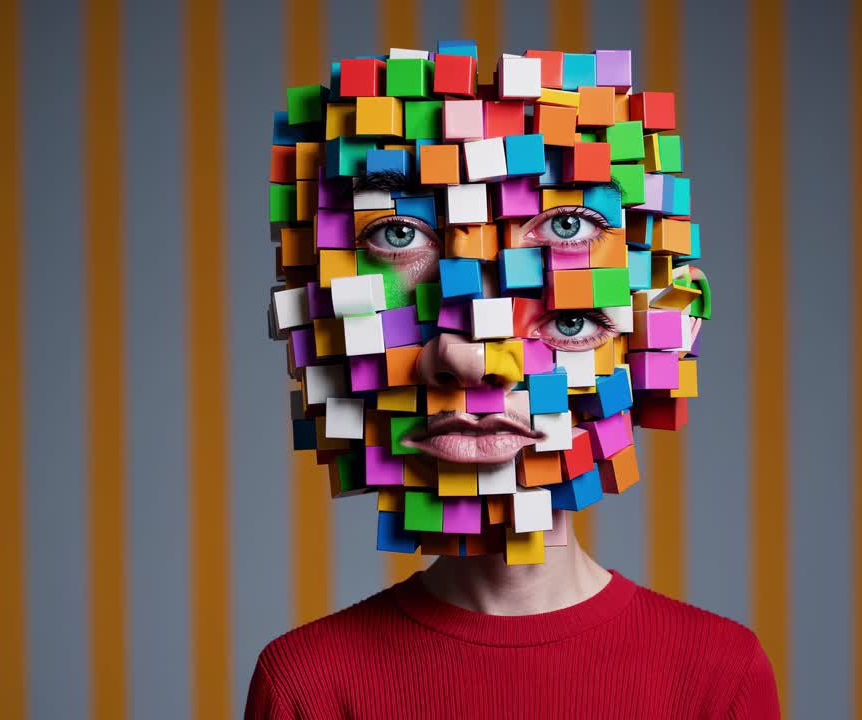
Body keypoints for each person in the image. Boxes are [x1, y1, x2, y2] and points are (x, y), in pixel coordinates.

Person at [250, 41, 780, 719]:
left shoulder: (718, 673)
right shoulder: (306, 682)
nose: (471, 358)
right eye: (396, 235)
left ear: (673, 318)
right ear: (308, 314)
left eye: (566, 223)